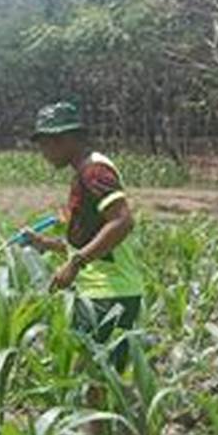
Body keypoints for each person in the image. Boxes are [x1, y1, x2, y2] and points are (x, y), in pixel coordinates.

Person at [23, 101, 145, 373]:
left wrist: (75, 263)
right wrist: (46, 244)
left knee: (89, 378)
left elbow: (123, 221)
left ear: (65, 140)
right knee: (97, 378)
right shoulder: (85, 172)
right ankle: (130, 411)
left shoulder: (94, 172)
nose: (43, 153)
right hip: (101, 291)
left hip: (109, 294)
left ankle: (121, 413)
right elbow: (92, 237)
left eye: (45, 144)